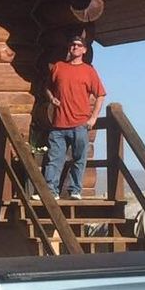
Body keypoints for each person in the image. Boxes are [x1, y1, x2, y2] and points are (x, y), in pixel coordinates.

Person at [44, 32, 105, 199]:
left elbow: (100, 94)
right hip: (58, 124)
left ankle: (75, 190)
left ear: (84, 50)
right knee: (54, 159)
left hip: (80, 124)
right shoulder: (59, 67)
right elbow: (47, 87)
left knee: (79, 159)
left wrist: (93, 118)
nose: (75, 47)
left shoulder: (89, 71)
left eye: (79, 45)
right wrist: (51, 98)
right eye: (73, 45)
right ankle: (51, 191)